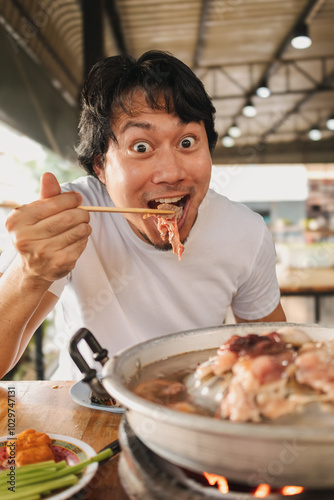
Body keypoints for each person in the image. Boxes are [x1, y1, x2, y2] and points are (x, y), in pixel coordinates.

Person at [0, 50, 286, 380]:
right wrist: (31, 272)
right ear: (100, 166)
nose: (171, 173)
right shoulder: (72, 217)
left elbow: (273, 352)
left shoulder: (244, 232)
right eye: (141, 147)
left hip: (188, 407)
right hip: (85, 412)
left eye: (188, 141)